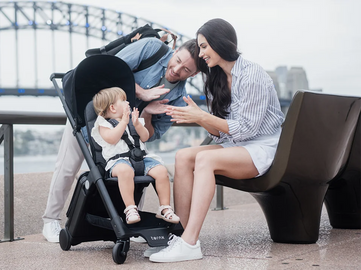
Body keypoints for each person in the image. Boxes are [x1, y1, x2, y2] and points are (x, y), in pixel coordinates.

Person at [148, 18, 285, 263]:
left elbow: (246, 130)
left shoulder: (251, 74)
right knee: (183, 156)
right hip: (239, 145)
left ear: (220, 44)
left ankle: (190, 243)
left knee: (205, 159)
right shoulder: (216, 78)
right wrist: (199, 118)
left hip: (264, 147)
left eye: (203, 47)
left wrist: (201, 115)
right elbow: (221, 134)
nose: (200, 54)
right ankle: (179, 235)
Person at [42, 37, 201, 242]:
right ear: (176, 49)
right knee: (67, 166)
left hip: (125, 140)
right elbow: (108, 70)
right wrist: (142, 93)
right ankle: (50, 220)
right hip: (91, 115)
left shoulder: (179, 98)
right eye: (178, 59)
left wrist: (148, 114)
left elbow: (152, 135)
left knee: (138, 162)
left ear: (195, 73)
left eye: (186, 69)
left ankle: (131, 221)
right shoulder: (152, 48)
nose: (177, 69)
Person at [91, 87, 179, 225]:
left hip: (141, 158)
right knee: (125, 171)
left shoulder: (134, 120)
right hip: (119, 161)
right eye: (124, 101)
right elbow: (112, 139)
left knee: (161, 171)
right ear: (113, 108)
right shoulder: (103, 124)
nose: (128, 103)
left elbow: (145, 137)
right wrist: (123, 123)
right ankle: (131, 208)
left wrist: (137, 124)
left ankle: (165, 208)